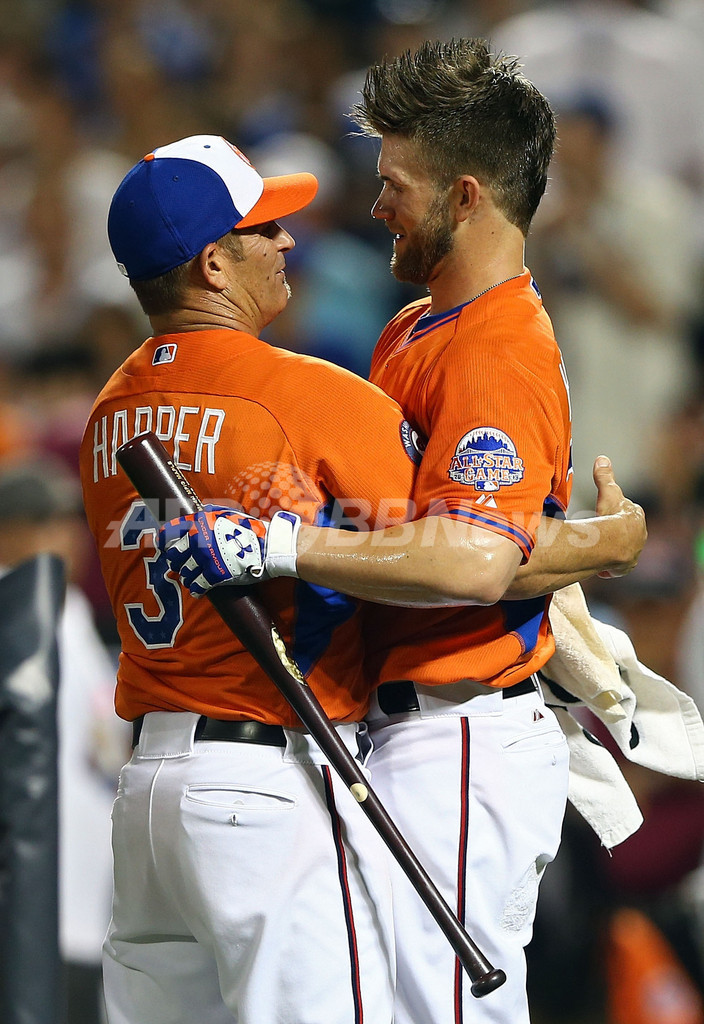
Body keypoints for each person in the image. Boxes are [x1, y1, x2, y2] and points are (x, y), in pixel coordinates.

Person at [157, 43, 646, 1024]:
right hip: (403, 725)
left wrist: (280, 547)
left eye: (392, 183)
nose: (372, 204)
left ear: (462, 197)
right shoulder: (416, 327)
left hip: (458, 725)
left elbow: (470, 558)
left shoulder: (498, 349)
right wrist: (587, 539)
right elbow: (453, 533)